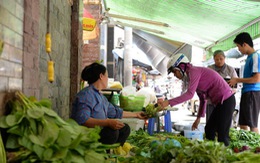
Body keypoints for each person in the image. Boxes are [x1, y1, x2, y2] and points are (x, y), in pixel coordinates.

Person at [158, 53, 236, 146]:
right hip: (221, 103)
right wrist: (198, 118)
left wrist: (168, 102)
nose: (175, 75)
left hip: (227, 100)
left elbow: (189, 95)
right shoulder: (191, 75)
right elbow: (203, 99)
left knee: (222, 135)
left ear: (181, 67)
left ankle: (224, 157)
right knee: (209, 129)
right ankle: (211, 152)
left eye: (175, 71)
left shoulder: (194, 72)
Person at [71, 62, 147, 146]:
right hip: (87, 135)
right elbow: (83, 120)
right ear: (101, 76)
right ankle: (102, 154)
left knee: (124, 129)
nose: (107, 79)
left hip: (99, 132)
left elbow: (115, 112)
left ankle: (111, 153)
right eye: (107, 76)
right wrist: (107, 122)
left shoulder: (100, 96)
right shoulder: (86, 95)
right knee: (112, 133)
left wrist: (136, 114)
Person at [229, 32, 260, 133]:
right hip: (246, 92)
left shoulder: (255, 57)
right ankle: (245, 147)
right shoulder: (249, 58)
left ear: (245, 44)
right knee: (243, 123)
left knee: (252, 124)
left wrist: (237, 79)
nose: (239, 49)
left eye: (238, 46)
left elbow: (256, 79)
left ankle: (256, 147)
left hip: (252, 93)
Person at [207, 50, 238, 122]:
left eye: (221, 59)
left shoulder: (230, 70)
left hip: (226, 101)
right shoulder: (209, 69)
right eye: (216, 59)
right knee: (210, 123)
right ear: (214, 59)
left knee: (224, 123)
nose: (219, 61)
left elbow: (235, 86)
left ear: (224, 58)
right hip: (211, 101)